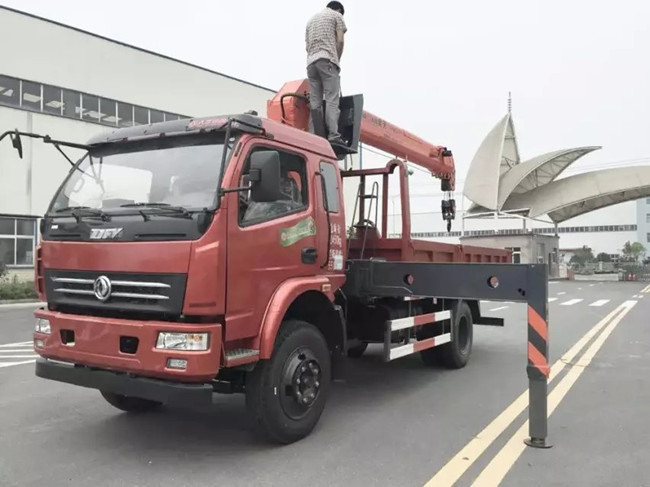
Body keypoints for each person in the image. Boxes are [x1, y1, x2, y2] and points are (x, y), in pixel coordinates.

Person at [305, 1, 347, 145]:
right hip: (327, 59)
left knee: (315, 102)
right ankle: (333, 134)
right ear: (339, 9)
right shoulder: (337, 16)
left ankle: (313, 135)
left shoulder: (311, 21)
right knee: (331, 99)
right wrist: (337, 60)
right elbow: (340, 41)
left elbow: (307, 46)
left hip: (311, 62)